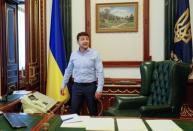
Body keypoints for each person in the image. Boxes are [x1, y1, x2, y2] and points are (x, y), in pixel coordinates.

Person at [60, 32, 104, 116]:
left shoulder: (95, 54)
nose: (85, 41)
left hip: (91, 87)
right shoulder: (73, 54)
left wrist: (99, 89)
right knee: (74, 113)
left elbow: (100, 71)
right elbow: (68, 70)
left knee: (93, 112)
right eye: (82, 39)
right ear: (78, 42)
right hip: (77, 87)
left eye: (87, 39)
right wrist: (63, 85)